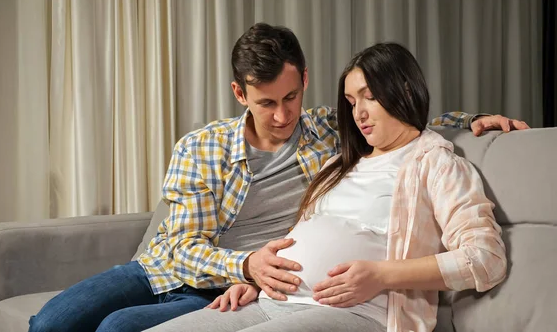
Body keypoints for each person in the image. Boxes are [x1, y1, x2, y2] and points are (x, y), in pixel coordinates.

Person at [28, 23, 524, 332]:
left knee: (118, 329)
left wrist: (474, 119)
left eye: (291, 97)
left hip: (270, 290)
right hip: (175, 271)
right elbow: (179, 248)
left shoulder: (331, 134)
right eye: (266, 102)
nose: (284, 115)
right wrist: (248, 269)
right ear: (240, 94)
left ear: (304, 80)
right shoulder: (203, 147)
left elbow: (408, 122)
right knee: (53, 322)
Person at [145, 42, 508, 332]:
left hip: (360, 313)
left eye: (369, 96)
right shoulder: (339, 163)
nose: (359, 113)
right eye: (351, 103)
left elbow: (485, 259)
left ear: (405, 89)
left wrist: (381, 275)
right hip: (270, 302)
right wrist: (256, 284)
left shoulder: (435, 163)